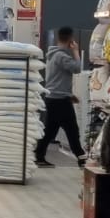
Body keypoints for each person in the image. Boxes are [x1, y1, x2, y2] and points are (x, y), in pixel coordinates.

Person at [34, 26, 84, 168]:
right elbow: (77, 68)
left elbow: (57, 79)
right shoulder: (62, 56)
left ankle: (39, 156)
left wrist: (69, 94)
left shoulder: (52, 55)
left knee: (50, 130)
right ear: (70, 39)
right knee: (72, 130)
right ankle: (81, 157)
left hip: (53, 98)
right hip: (60, 101)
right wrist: (76, 51)